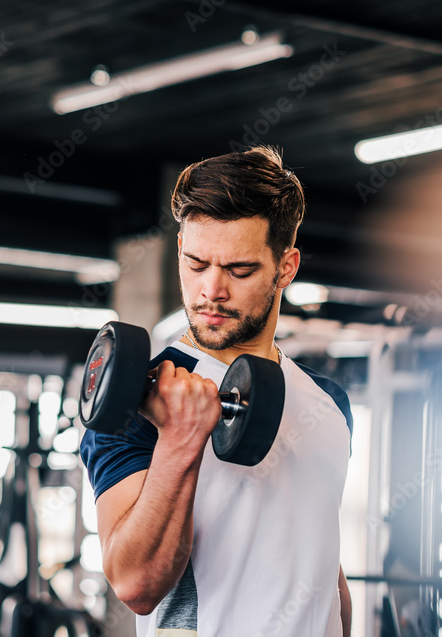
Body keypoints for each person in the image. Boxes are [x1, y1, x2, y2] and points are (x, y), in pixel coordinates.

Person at [79, 145, 354, 636]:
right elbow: (135, 584)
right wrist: (181, 439)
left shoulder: (328, 402)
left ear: (286, 267)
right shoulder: (138, 399)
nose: (211, 290)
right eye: (196, 263)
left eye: (239, 270)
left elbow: (321, 568)